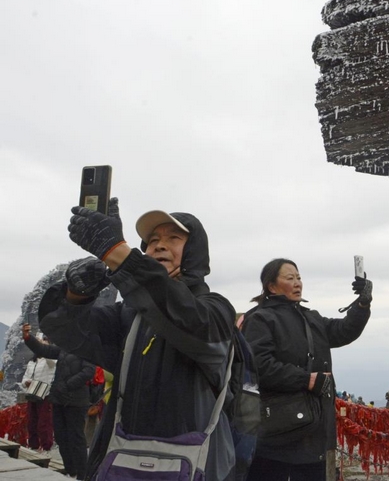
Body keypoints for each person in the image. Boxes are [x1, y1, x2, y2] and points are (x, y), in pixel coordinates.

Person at [39, 199, 236, 480]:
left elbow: (190, 321)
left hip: (193, 467)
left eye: (174, 238)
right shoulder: (128, 315)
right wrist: (76, 295)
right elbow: (69, 331)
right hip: (122, 463)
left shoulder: (215, 309)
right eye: (152, 240)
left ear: (195, 252)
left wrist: (116, 252)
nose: (159, 245)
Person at [242, 258, 372, 481]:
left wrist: (362, 304)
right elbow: (259, 366)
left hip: (315, 435)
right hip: (275, 437)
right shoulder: (260, 319)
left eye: (299, 277)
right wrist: (307, 380)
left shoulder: (311, 318)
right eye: (290, 278)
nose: (297, 283)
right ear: (271, 286)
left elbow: (344, 331)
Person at [23, 323, 95, 478]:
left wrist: (67, 385)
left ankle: (83, 473)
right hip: (59, 401)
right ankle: (70, 471)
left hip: (76, 402)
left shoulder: (87, 350)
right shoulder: (63, 349)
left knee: (76, 438)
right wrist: (28, 338)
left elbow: (89, 371)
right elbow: (44, 350)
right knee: (61, 437)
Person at [20, 327, 56, 454]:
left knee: (44, 423)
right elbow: (25, 378)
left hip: (45, 394)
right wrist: (26, 382)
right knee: (32, 421)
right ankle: (33, 446)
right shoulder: (32, 362)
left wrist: (45, 348)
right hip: (32, 393)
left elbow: (51, 362)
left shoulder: (50, 361)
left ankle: (46, 447)